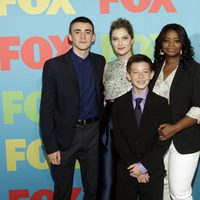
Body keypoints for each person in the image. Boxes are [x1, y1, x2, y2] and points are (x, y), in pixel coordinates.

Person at [40, 16, 105, 200]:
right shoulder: (53, 66)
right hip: (64, 137)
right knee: (62, 192)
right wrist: (51, 147)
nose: (83, 37)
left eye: (87, 32)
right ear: (70, 37)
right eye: (77, 32)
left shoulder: (100, 62)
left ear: (93, 37)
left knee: (93, 190)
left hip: (93, 134)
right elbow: (46, 110)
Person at [151, 23, 200, 200]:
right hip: (158, 140)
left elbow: (198, 108)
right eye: (166, 40)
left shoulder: (194, 70)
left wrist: (174, 128)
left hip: (185, 140)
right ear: (161, 44)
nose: (171, 44)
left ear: (183, 45)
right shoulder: (154, 68)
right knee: (162, 187)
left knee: (179, 192)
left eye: (176, 41)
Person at [112, 54, 171, 200]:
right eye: (135, 72)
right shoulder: (118, 104)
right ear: (128, 75)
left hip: (152, 172)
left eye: (145, 72)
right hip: (127, 171)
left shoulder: (162, 104)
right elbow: (118, 138)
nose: (140, 76)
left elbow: (163, 140)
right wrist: (135, 167)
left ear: (151, 75)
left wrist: (143, 167)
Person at [97, 18, 133, 200]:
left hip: (134, 122)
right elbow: (104, 98)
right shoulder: (107, 66)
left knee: (131, 177)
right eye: (115, 39)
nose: (120, 43)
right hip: (109, 123)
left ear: (132, 39)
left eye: (124, 38)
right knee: (107, 175)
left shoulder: (142, 64)